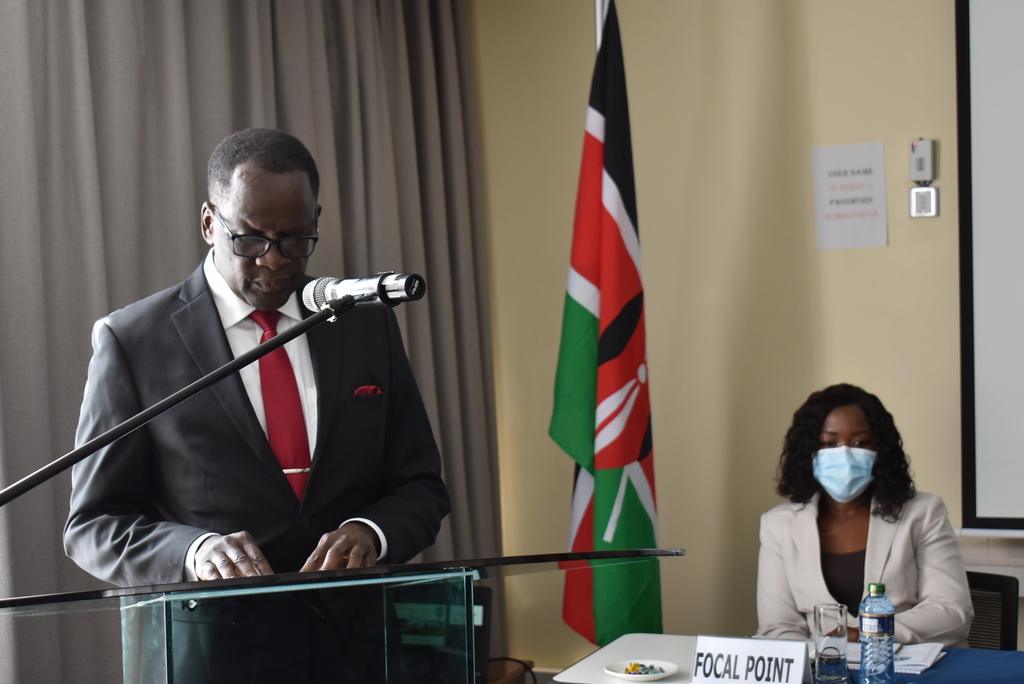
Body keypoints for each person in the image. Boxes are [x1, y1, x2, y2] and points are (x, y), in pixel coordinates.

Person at [64, 128, 450, 588]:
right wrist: (193, 552)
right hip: (214, 627)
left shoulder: (365, 323)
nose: (273, 261)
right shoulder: (133, 341)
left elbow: (421, 487)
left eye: (294, 240)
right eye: (250, 240)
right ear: (209, 223)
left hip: (356, 625)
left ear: (316, 219)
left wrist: (371, 532)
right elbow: (93, 524)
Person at [755, 383, 973, 647]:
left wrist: (866, 633)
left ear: (880, 448)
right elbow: (778, 627)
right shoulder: (778, 525)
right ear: (808, 451)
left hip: (910, 662)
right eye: (829, 443)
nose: (845, 453)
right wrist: (822, 659)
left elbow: (952, 611)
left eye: (860, 442)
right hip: (823, 665)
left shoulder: (924, 512)